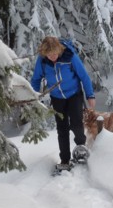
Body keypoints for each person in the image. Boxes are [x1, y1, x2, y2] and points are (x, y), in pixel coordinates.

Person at [30, 36, 96, 170]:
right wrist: (34, 97)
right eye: (49, 55)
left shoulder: (69, 56)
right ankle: (64, 160)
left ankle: (81, 149)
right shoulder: (42, 61)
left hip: (74, 94)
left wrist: (90, 95)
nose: (52, 57)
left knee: (76, 123)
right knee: (62, 128)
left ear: (59, 50)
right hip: (57, 98)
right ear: (44, 53)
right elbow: (36, 79)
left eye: (54, 54)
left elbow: (84, 76)